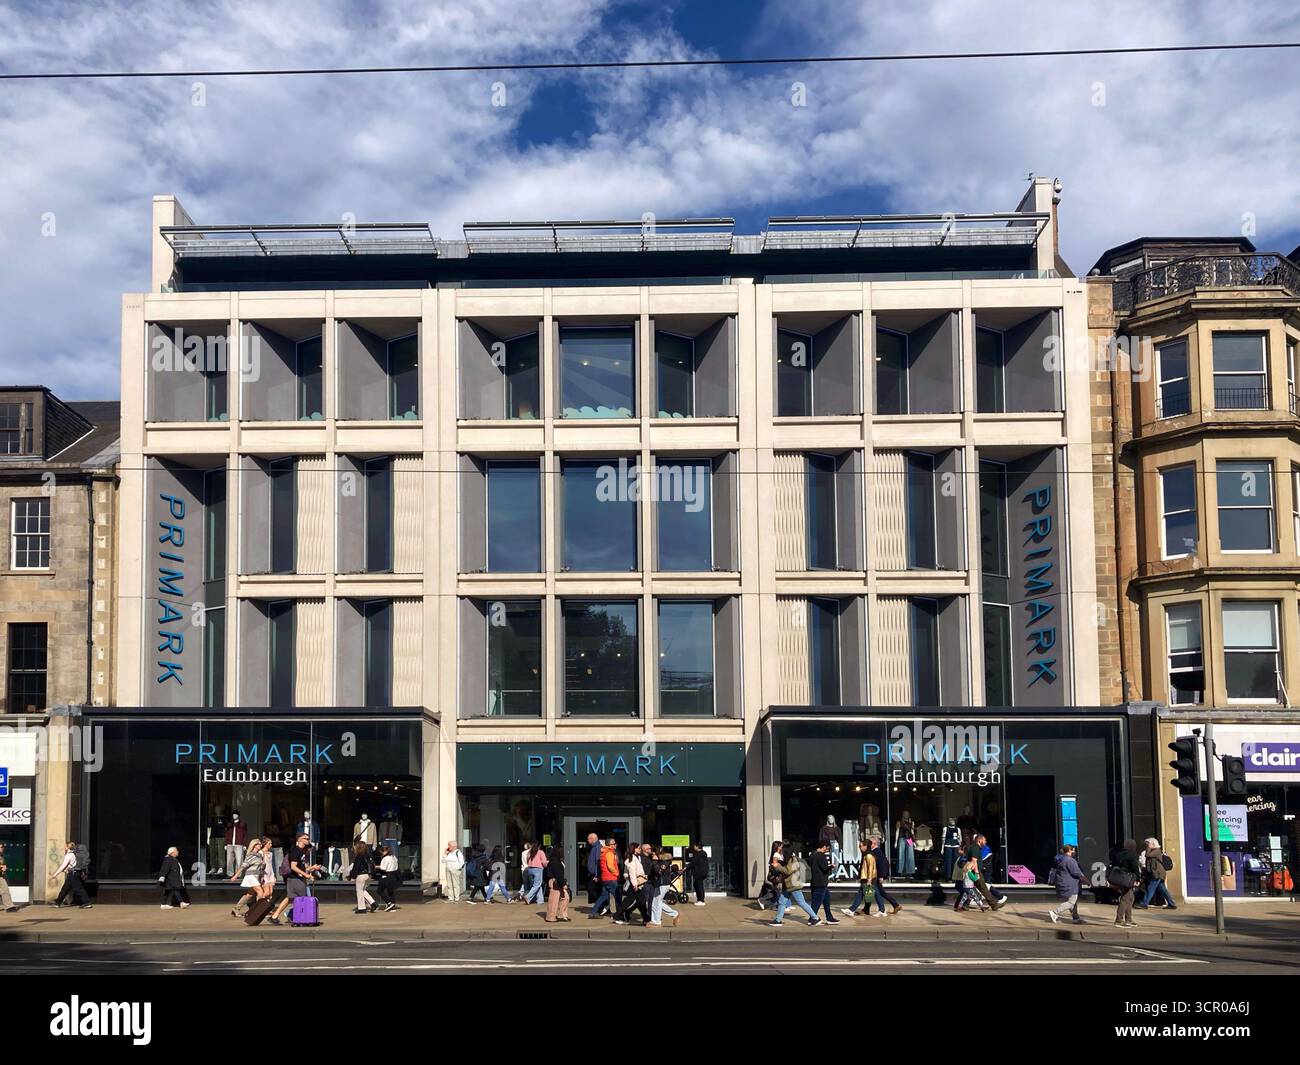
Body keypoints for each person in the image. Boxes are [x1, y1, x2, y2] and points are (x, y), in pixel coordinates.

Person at [270, 832, 321, 925]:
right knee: (303, 898)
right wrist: (306, 875)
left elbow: (301, 868)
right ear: (300, 839)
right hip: (295, 879)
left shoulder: (300, 851)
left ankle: (276, 916)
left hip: (294, 878)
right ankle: (298, 917)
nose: (308, 840)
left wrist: (312, 868)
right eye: (306, 838)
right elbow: (293, 867)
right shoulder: (296, 850)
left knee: (290, 898)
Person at [773, 848, 819, 926]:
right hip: (788, 885)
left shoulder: (792, 860)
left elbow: (788, 871)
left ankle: (815, 918)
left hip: (793, 885)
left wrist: (777, 866)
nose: (781, 855)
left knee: (801, 902)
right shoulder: (789, 860)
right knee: (782, 902)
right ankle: (778, 920)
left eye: (782, 853)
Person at [960, 834, 1005, 911]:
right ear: (979, 841)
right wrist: (977, 873)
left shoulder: (975, 847)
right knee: (983, 889)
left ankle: (965, 905)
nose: (985, 842)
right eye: (984, 840)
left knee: (972, 889)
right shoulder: (975, 848)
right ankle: (994, 905)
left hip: (971, 871)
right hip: (974, 871)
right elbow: (974, 862)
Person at [1047, 843, 1086, 925]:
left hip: (1062, 883)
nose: (1074, 851)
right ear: (1069, 851)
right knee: (1072, 902)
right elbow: (1077, 872)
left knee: (1072, 902)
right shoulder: (1070, 860)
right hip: (1069, 885)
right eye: (1073, 850)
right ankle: (1054, 912)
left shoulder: (1060, 859)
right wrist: (1087, 881)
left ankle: (1076, 918)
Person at [842, 839, 879, 918]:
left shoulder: (868, 855)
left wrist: (869, 879)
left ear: (865, 846)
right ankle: (857, 910)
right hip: (865, 878)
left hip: (867, 878)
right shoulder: (866, 855)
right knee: (863, 894)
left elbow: (870, 868)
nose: (860, 848)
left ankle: (852, 909)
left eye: (861, 846)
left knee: (864, 894)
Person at [229, 838, 266, 917]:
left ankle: (236, 909)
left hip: (256, 876)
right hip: (251, 876)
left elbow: (261, 867)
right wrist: (235, 875)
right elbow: (243, 866)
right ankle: (258, 911)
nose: (261, 845)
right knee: (260, 892)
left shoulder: (259, 855)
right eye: (259, 844)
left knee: (249, 894)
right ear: (254, 845)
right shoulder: (251, 855)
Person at [1137, 838, 1177, 910]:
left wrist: (1148, 848)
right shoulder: (1153, 851)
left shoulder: (1157, 851)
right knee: (1163, 890)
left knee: (1150, 888)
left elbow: (1147, 855)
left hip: (1157, 873)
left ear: (1153, 844)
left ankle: (1144, 903)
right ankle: (1171, 903)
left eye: (1148, 844)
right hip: (1156, 873)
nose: (1146, 845)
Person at [51, 841, 92, 909]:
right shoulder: (73, 854)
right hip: (73, 873)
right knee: (65, 888)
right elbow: (71, 865)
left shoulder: (69, 855)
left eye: (65, 846)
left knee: (78, 888)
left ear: (68, 847)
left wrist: (55, 874)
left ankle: (86, 902)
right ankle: (57, 902)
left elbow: (63, 866)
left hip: (74, 874)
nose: (64, 847)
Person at [869, 836, 903, 915]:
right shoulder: (877, 851)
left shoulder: (876, 852)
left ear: (874, 843)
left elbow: (882, 865)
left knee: (879, 892)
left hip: (877, 876)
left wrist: (881, 876)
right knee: (878, 892)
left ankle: (893, 906)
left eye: (869, 843)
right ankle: (895, 905)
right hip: (876, 876)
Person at [1110, 839, 1141, 927]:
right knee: (1126, 898)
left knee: (1130, 897)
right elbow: (1134, 867)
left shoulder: (1119, 854)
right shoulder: (1132, 855)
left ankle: (1128, 919)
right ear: (1132, 847)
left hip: (1121, 877)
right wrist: (1138, 879)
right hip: (1129, 878)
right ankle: (1119, 920)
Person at [617, 843, 649, 925]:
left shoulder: (635, 858)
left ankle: (646, 919)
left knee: (641, 901)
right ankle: (617, 915)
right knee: (629, 901)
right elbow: (632, 873)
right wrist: (635, 884)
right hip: (635, 884)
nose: (640, 849)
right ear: (634, 849)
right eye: (638, 848)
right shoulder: (631, 859)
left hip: (637, 883)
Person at [808, 841, 840, 925]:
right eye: (827, 848)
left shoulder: (812, 855)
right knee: (817, 902)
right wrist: (831, 866)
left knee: (826, 900)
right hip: (821, 882)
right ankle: (812, 919)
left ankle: (829, 917)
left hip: (814, 881)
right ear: (824, 846)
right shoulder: (821, 856)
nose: (827, 850)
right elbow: (824, 868)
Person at [590, 837, 621, 919]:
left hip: (605, 878)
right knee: (618, 896)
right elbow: (610, 866)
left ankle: (593, 912)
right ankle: (619, 914)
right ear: (609, 845)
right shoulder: (609, 853)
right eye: (614, 844)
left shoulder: (603, 852)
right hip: (611, 878)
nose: (615, 845)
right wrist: (616, 873)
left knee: (604, 896)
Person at [650, 849, 681, 926]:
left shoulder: (665, 861)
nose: (653, 855)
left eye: (654, 854)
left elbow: (659, 871)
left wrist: (655, 861)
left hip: (663, 884)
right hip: (660, 883)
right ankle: (674, 914)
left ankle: (657, 921)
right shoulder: (662, 861)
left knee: (657, 902)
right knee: (656, 902)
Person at [544, 844, 571, 923]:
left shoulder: (553, 861)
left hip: (555, 881)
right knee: (554, 900)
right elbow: (558, 875)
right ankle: (550, 917)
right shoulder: (556, 862)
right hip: (556, 882)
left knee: (565, 898)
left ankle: (562, 915)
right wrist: (563, 884)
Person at [349, 841, 377, 914]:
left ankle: (362, 908)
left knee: (359, 891)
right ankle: (373, 903)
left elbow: (356, 867)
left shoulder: (359, 856)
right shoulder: (367, 855)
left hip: (361, 875)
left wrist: (352, 876)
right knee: (363, 890)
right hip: (367, 875)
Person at [757, 841, 785, 910]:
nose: (782, 847)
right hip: (776, 876)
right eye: (781, 846)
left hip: (778, 876)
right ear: (778, 847)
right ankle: (763, 900)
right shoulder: (776, 854)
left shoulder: (778, 854)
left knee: (777, 891)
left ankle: (774, 905)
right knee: (777, 891)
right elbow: (774, 865)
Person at [376, 844, 401, 911]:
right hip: (394, 875)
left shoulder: (385, 858)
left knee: (380, 891)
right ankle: (392, 903)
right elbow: (396, 867)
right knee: (390, 891)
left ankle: (389, 903)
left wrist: (376, 866)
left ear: (384, 852)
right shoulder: (394, 857)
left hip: (387, 875)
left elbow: (383, 868)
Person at [524, 840, 548, 904]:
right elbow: (544, 862)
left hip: (529, 869)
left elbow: (527, 860)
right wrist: (547, 864)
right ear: (539, 846)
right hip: (538, 869)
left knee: (536, 885)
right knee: (537, 885)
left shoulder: (529, 852)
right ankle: (528, 896)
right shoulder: (540, 852)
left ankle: (540, 900)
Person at [585, 832, 602, 905]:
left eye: (588, 839)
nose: (587, 840)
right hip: (592, 874)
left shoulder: (598, 847)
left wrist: (597, 875)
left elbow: (598, 862)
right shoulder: (593, 847)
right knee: (593, 891)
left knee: (595, 891)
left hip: (595, 875)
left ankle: (599, 908)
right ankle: (599, 907)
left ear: (593, 839)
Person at [0, 844, 17, 912]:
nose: (2, 848)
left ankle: (9, 906)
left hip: (1, 876)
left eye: (2, 847)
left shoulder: (2, 856)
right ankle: (9, 906)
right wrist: (1, 868)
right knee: (4, 890)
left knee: (5, 890)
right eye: (0, 847)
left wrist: (4, 868)